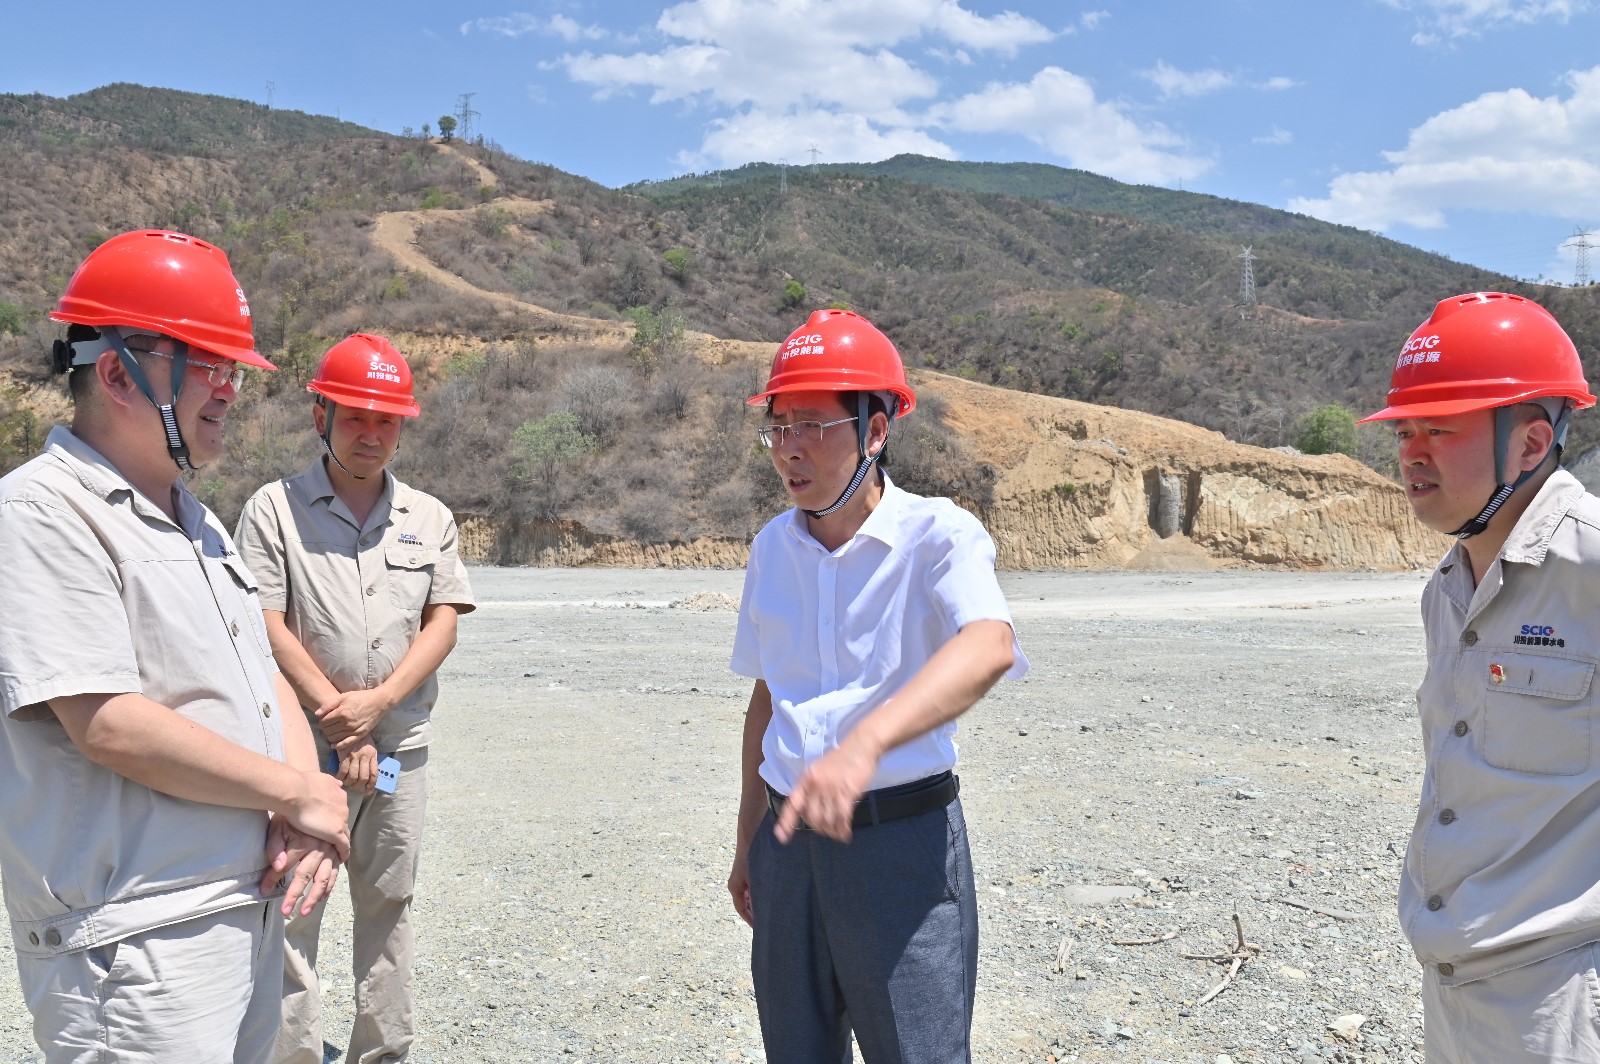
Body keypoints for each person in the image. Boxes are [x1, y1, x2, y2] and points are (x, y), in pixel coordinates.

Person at [0, 229, 350, 1064]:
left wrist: (302, 803)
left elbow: (263, 675)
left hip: (241, 907)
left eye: (235, 370)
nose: (230, 390)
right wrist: (298, 792)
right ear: (118, 373)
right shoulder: (43, 512)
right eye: (211, 366)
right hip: (135, 939)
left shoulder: (198, 521)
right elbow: (107, 722)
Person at [725, 309, 1028, 1063]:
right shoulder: (772, 548)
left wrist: (866, 743)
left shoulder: (938, 535)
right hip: (788, 848)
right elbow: (767, 701)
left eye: (812, 426)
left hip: (900, 846)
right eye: (777, 427)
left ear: (876, 431)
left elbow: (989, 644)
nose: (789, 449)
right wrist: (748, 843)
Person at [1360, 292, 1600, 1061]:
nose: (1411, 452)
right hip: (1458, 990)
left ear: (1530, 444)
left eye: (1440, 428)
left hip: (1566, 1003)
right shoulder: (1447, 587)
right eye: (1404, 430)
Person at [234, 333, 475, 1064]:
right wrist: (343, 721)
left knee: (388, 903)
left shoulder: (428, 518)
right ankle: (293, 1054)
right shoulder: (274, 510)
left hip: (400, 751)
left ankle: (383, 1052)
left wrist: (380, 704)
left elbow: (443, 620)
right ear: (321, 417)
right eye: (356, 417)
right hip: (303, 752)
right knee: (293, 904)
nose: (371, 434)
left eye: (386, 420)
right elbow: (265, 623)